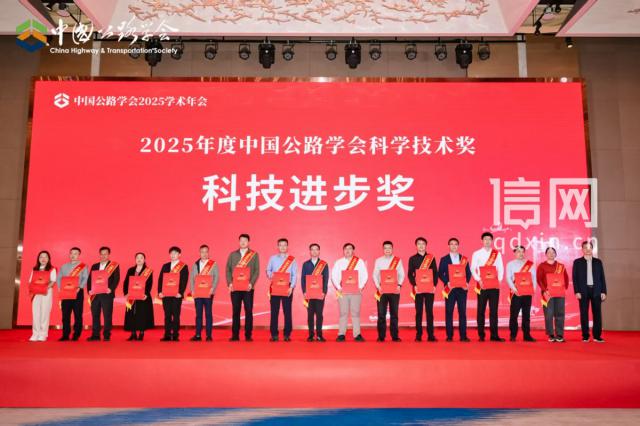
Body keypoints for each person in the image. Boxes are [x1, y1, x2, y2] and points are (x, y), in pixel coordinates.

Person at [471, 232, 505, 342]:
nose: (487, 241)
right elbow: (473, 269)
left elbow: (501, 267)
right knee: (481, 310)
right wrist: (478, 279)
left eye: (489, 239)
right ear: (482, 241)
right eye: (485, 239)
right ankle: (481, 335)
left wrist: (499, 280)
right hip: (482, 285)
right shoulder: (476, 253)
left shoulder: (497, 254)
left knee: (494, 311)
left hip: (494, 285)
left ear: (492, 241)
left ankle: (494, 335)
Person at [226, 233, 260, 342]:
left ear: (248, 242)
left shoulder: (254, 255)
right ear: (239, 241)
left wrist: (251, 283)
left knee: (248, 311)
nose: (243, 242)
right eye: (241, 240)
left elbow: (256, 271)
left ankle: (248, 335)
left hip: (248, 288)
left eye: (245, 240)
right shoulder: (233, 255)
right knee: (236, 311)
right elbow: (228, 270)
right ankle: (235, 335)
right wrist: (230, 283)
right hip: (235, 288)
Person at [331, 243, 368, 342]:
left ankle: (357, 334)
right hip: (342, 291)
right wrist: (339, 288)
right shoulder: (339, 262)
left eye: (350, 248)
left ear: (353, 251)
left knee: (355, 313)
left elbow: (365, 275)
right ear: (343, 251)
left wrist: (360, 287)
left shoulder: (359, 262)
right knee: (343, 313)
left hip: (356, 291)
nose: (347, 250)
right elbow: (334, 276)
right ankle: (341, 334)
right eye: (345, 249)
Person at [573, 240, 607, 343]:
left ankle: (597, 336)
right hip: (583, 291)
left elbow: (602, 278)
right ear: (582, 249)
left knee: (597, 314)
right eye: (585, 248)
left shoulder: (598, 262)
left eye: (590, 248)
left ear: (592, 249)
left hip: (596, 290)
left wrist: (603, 291)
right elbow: (575, 278)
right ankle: (585, 336)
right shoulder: (577, 262)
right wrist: (577, 291)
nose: (588, 250)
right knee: (584, 313)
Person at [438, 238, 472, 342]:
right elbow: (440, 273)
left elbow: (468, 273)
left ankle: (463, 336)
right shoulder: (444, 259)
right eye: (451, 244)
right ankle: (449, 336)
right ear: (448, 246)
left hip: (462, 289)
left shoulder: (464, 259)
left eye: (455, 244)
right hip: (450, 289)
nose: (453, 246)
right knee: (449, 312)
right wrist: (447, 282)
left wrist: (466, 283)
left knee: (462, 312)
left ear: (458, 246)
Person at [86, 246, 120, 342]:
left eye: (105, 254)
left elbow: (116, 279)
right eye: (102, 254)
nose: (103, 255)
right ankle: (95, 335)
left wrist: (111, 289)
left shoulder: (114, 266)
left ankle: (106, 335)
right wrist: (89, 290)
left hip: (107, 294)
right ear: (99, 255)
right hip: (95, 295)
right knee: (95, 315)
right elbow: (90, 279)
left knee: (107, 315)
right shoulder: (94, 266)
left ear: (108, 255)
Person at [266, 238, 297, 342]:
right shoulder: (272, 258)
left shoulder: (292, 259)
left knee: (287, 311)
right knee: (274, 311)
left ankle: (287, 334)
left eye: (284, 245)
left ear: (287, 247)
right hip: (275, 286)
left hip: (287, 287)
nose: (282, 247)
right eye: (280, 245)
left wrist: (291, 287)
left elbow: (294, 274)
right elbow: (268, 270)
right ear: (278, 246)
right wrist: (272, 276)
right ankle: (274, 334)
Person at [408, 237, 439, 342]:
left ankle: (431, 335)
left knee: (429, 312)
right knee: (419, 312)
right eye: (419, 244)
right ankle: (419, 335)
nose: (421, 246)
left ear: (426, 245)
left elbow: (435, 273)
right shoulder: (412, 259)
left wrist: (434, 285)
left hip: (430, 288)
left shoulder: (431, 258)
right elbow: (410, 274)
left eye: (423, 244)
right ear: (416, 246)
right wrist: (414, 285)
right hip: (418, 289)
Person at [373, 240, 405, 342]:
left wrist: (399, 285)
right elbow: (375, 275)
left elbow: (402, 274)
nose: (387, 250)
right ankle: (381, 336)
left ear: (392, 249)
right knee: (381, 314)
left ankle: (395, 336)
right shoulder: (378, 261)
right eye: (385, 248)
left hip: (394, 290)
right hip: (382, 290)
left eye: (389, 248)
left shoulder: (397, 260)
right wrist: (378, 286)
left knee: (394, 314)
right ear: (383, 249)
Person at [536, 247, 569, 343]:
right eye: (549, 252)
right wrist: (544, 290)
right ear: (546, 254)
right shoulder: (542, 266)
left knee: (560, 313)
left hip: (559, 293)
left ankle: (559, 335)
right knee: (548, 314)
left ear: (555, 254)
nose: (551, 254)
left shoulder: (561, 266)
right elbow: (539, 279)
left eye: (553, 252)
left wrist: (563, 288)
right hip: (547, 294)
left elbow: (566, 278)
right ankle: (551, 334)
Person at [56, 247, 88, 341]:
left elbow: (85, 278)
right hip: (66, 292)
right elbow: (59, 278)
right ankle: (65, 334)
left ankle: (76, 334)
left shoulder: (83, 266)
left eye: (75, 253)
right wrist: (60, 287)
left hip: (78, 292)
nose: (73, 255)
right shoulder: (64, 266)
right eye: (71, 253)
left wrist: (80, 287)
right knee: (65, 315)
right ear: (69, 254)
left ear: (79, 255)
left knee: (78, 314)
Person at [506, 246, 537, 342]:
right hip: (516, 293)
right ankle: (513, 334)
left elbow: (534, 278)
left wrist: (533, 289)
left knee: (526, 315)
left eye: (522, 252)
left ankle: (527, 335)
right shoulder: (510, 264)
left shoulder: (530, 264)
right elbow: (508, 278)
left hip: (527, 293)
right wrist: (514, 289)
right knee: (514, 315)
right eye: (518, 252)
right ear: (515, 253)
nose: (521, 254)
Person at [158, 246, 189, 342]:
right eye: (171, 253)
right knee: (167, 315)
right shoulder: (165, 266)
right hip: (166, 295)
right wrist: (160, 292)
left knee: (176, 315)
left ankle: (175, 334)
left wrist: (180, 292)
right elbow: (160, 279)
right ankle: (167, 334)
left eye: (175, 253)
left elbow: (184, 280)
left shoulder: (183, 266)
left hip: (177, 295)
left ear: (179, 255)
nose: (173, 255)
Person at [190, 244, 219, 341]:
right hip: (197, 293)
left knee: (208, 314)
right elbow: (192, 278)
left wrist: (212, 289)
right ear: (199, 253)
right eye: (202, 252)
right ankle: (198, 335)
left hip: (208, 293)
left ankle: (209, 335)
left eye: (206, 252)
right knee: (198, 314)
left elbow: (216, 277)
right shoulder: (195, 264)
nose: (204, 254)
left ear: (208, 253)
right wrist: (192, 290)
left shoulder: (213, 264)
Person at [300, 243, 329, 342]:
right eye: (312, 249)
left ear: (319, 251)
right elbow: (303, 279)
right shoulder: (305, 264)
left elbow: (326, 279)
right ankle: (311, 335)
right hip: (309, 294)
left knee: (319, 315)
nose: (314, 251)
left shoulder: (324, 264)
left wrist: (324, 292)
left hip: (320, 293)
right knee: (310, 315)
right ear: (310, 251)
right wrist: (304, 291)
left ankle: (319, 335)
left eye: (316, 249)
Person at [123, 252, 154, 341]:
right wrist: (126, 293)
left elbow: (149, 284)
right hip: (132, 296)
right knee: (131, 314)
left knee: (142, 314)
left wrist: (146, 294)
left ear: (144, 260)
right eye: (137, 258)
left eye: (141, 258)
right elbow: (126, 282)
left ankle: (141, 333)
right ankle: (133, 334)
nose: (139, 259)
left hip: (143, 296)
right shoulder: (131, 270)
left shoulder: (148, 271)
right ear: (135, 259)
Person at [28, 250, 56, 342]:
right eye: (41, 257)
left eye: (45, 257)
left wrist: (44, 288)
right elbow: (30, 281)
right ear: (38, 259)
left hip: (46, 293)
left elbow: (53, 281)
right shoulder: (34, 269)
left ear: (49, 259)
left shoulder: (52, 269)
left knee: (44, 313)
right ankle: (35, 333)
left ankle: (43, 334)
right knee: (35, 313)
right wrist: (35, 289)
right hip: (36, 294)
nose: (43, 259)